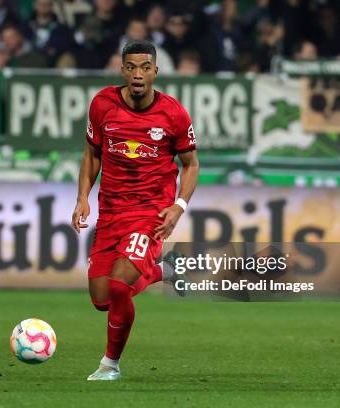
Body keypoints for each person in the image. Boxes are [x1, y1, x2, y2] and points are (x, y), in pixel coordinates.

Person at [71, 40, 199, 381]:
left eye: (145, 67)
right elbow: (92, 154)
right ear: (122, 70)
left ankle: (110, 365)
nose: (138, 74)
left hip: (150, 215)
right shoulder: (102, 104)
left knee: (118, 288)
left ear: (156, 71)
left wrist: (178, 206)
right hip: (110, 213)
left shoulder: (173, 113)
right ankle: (165, 271)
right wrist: (83, 197)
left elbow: (191, 165)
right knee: (101, 300)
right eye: (131, 67)